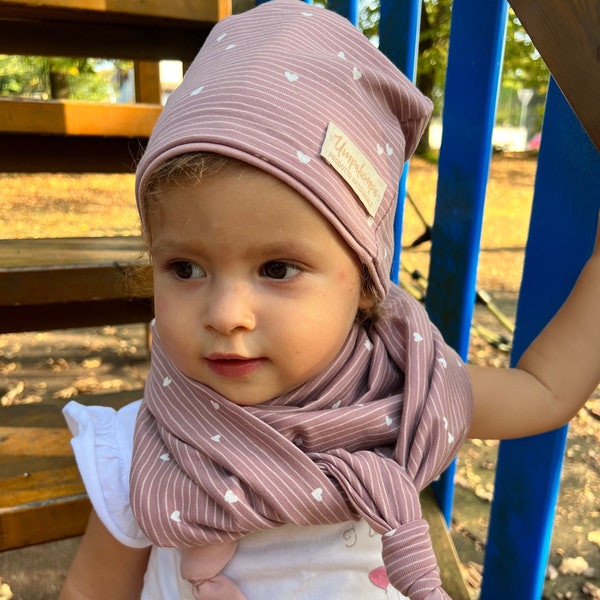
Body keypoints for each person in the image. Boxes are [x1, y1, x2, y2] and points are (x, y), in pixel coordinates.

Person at [59, 1, 600, 599]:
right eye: (184, 268)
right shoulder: (146, 449)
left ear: (365, 281)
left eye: (277, 268)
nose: (225, 315)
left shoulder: (403, 396)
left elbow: (546, 392)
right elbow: (93, 589)